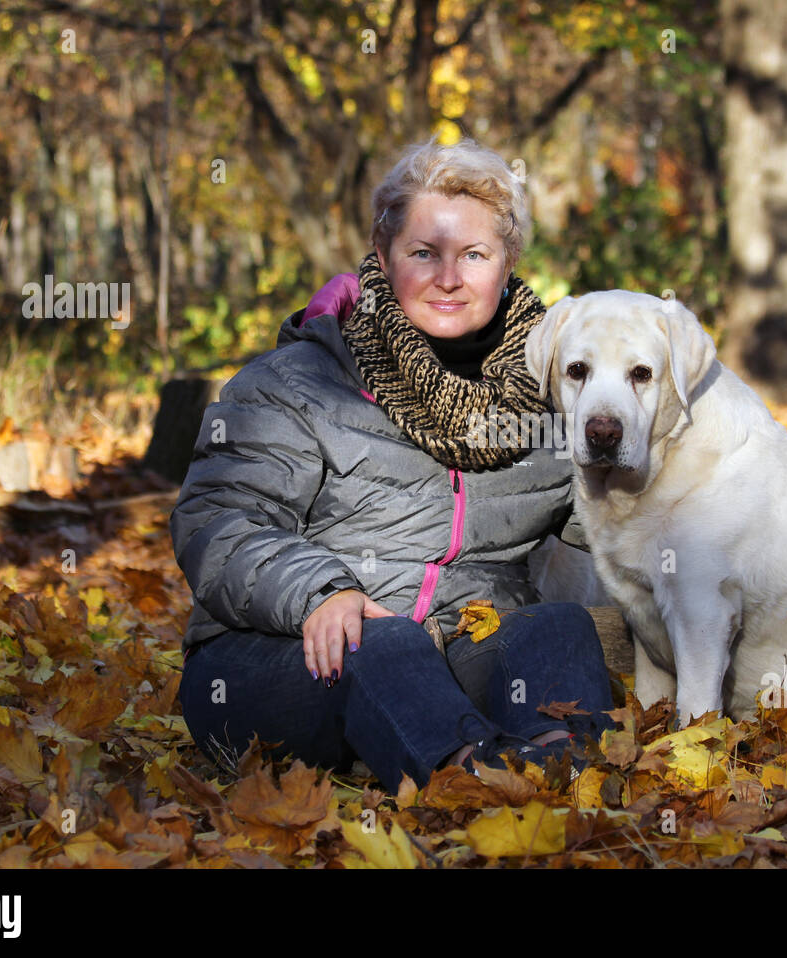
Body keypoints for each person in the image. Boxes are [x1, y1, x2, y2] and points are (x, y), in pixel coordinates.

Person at [172, 136, 617, 791]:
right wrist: (321, 591)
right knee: (384, 642)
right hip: (283, 659)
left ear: (507, 263)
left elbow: (635, 503)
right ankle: (468, 787)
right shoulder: (296, 383)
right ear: (382, 258)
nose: (448, 278)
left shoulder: (545, 403)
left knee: (555, 623)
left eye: (473, 255)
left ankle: (560, 776)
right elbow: (217, 523)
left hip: (457, 651)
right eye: (423, 253)